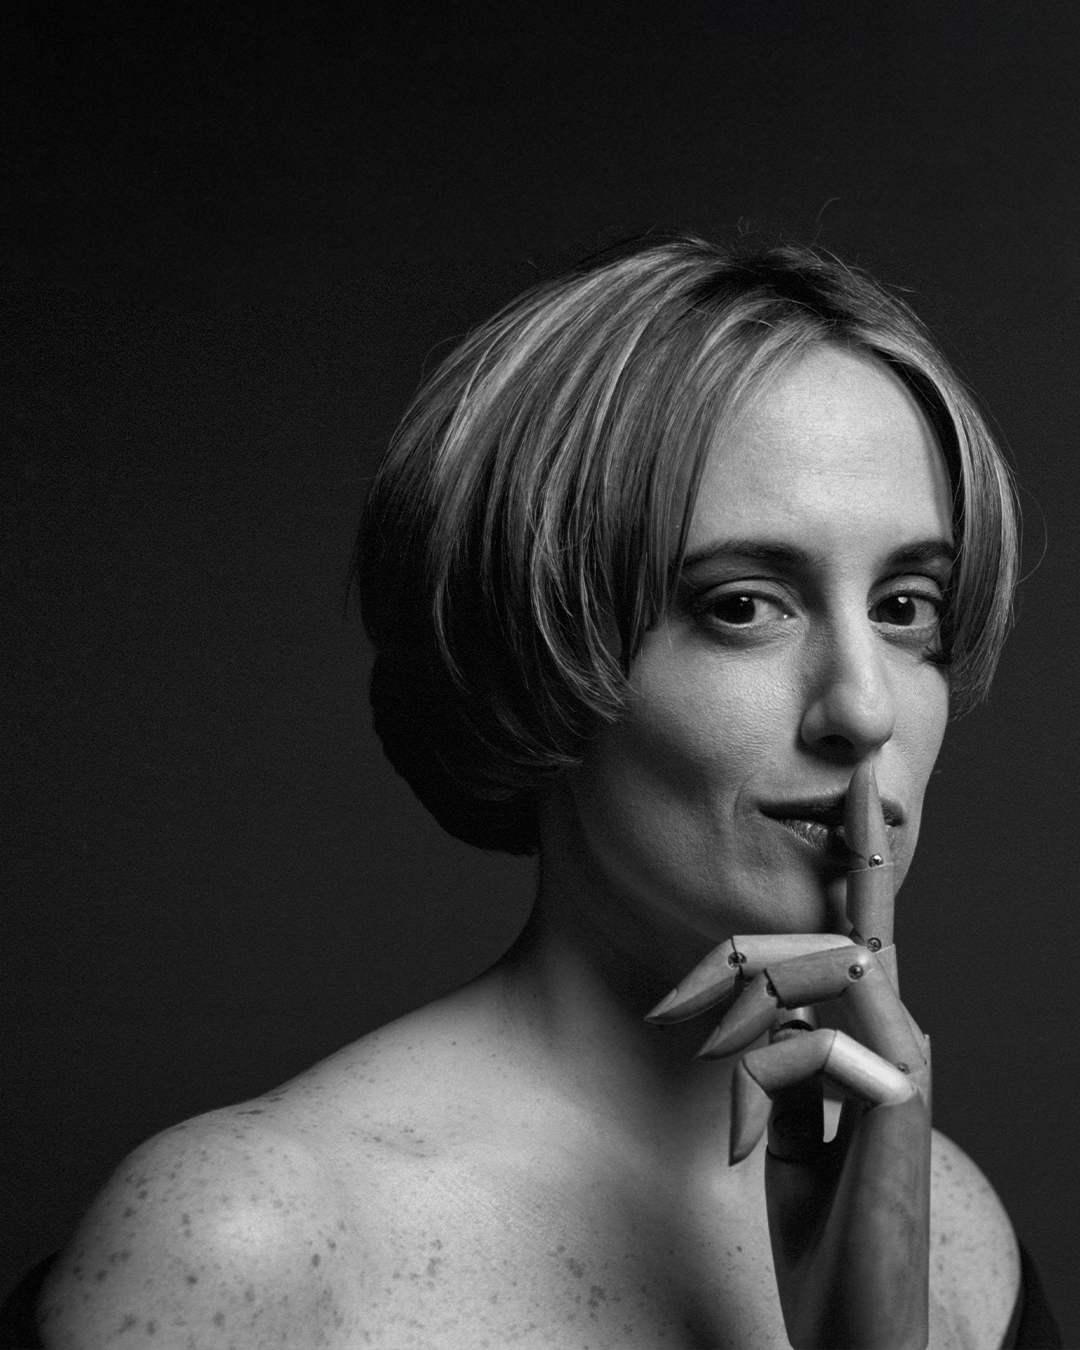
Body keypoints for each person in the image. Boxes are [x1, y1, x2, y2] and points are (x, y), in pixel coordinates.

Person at [30, 235, 1060, 1348]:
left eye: (907, 607)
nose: (861, 710)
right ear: (539, 645)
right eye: (743, 604)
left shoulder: (949, 1232)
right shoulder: (251, 1240)